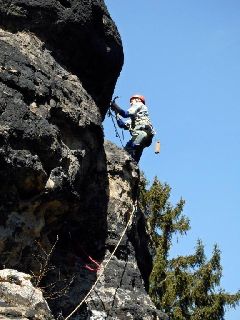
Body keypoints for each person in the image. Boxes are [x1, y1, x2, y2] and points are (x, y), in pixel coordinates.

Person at [110, 94, 155, 162]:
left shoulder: (139, 104)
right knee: (133, 159)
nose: (131, 103)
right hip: (144, 137)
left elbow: (125, 114)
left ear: (138, 100)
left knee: (128, 149)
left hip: (141, 133)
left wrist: (114, 105)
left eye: (132, 101)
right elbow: (122, 125)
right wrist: (116, 113)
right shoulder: (135, 119)